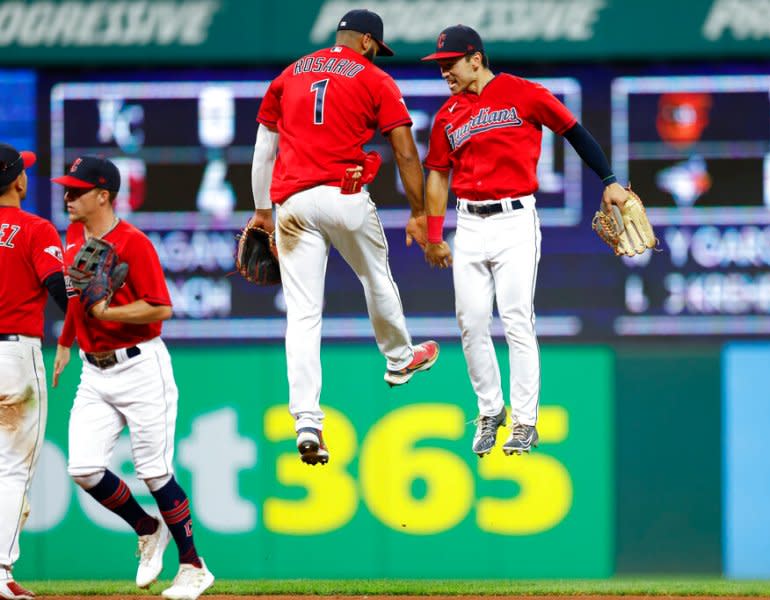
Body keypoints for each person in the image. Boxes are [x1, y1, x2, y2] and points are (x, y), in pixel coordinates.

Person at [420, 25, 632, 457]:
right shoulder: (446, 117)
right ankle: (490, 411)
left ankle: (525, 422)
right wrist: (435, 232)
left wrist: (608, 180)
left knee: (517, 319)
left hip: (515, 220)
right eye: (441, 65)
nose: (445, 72)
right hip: (469, 225)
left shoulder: (524, 93)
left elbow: (574, 131)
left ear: (475, 58)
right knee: (472, 322)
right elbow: (438, 176)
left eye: (450, 63)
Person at [247, 8, 439, 466]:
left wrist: (261, 212)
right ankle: (398, 358)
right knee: (376, 278)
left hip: (292, 205)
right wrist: (418, 212)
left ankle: (306, 421)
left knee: (303, 316)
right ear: (368, 42)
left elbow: (263, 149)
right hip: (344, 194)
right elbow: (405, 152)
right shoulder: (374, 78)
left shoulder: (290, 74)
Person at [51, 157, 214, 600]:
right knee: (83, 468)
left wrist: (110, 313)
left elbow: (160, 307)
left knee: (155, 472)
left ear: (103, 195)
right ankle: (146, 527)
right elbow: (76, 301)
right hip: (93, 369)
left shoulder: (134, 243)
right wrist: (66, 342)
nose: (68, 197)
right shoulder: (71, 236)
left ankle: (194, 567)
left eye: (77, 191)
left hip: (141, 366)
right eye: (67, 189)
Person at [0, 144, 67, 600]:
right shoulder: (34, 228)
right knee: (12, 469)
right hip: (14, 359)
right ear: (18, 181)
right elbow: (63, 291)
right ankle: (0, 570)